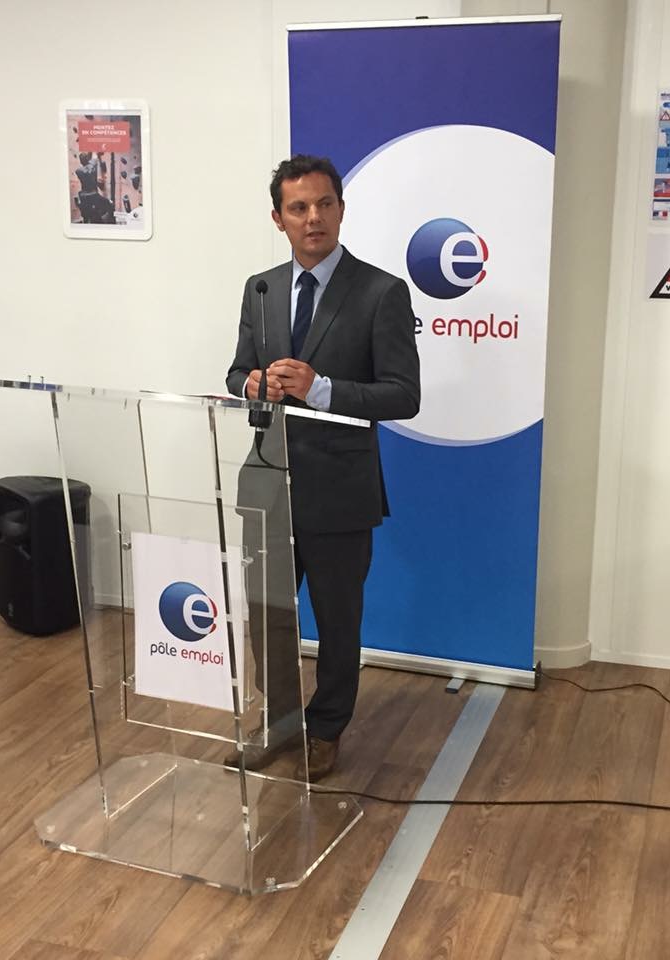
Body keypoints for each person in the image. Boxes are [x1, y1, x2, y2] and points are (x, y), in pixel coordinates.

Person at [226, 155, 420, 780]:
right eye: (299, 208)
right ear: (278, 219)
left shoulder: (381, 292)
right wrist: (251, 383)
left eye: (324, 204)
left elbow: (403, 395)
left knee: (338, 621)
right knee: (269, 615)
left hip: (339, 488)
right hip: (268, 480)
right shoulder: (260, 288)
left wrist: (323, 389)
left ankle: (327, 727)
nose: (313, 217)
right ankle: (281, 723)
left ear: (340, 208)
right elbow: (236, 371)